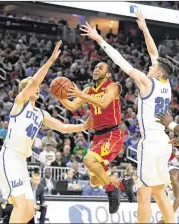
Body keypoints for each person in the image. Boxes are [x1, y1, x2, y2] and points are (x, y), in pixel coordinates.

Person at [79, 11, 175, 223]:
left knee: (143, 193)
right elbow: (153, 51)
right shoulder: (166, 85)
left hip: (150, 143)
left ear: (159, 72)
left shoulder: (147, 82)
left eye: (153, 67)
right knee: (159, 192)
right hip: (164, 142)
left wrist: (100, 40)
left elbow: (122, 62)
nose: (150, 66)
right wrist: (144, 27)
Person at [0, 41, 92, 223]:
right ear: (28, 90)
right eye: (34, 86)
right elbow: (34, 81)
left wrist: (84, 126)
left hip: (21, 161)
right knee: (19, 205)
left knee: (30, 209)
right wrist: (50, 61)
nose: (38, 87)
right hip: (9, 156)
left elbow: (63, 127)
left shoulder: (41, 113)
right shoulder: (19, 103)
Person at [60, 53, 124, 214]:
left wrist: (82, 94)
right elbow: (72, 106)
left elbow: (103, 103)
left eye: (100, 68)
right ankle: (123, 185)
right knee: (95, 180)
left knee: (88, 159)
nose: (96, 70)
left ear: (108, 74)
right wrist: (59, 95)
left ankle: (112, 190)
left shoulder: (113, 86)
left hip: (112, 134)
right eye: (95, 67)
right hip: (98, 136)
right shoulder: (89, 90)